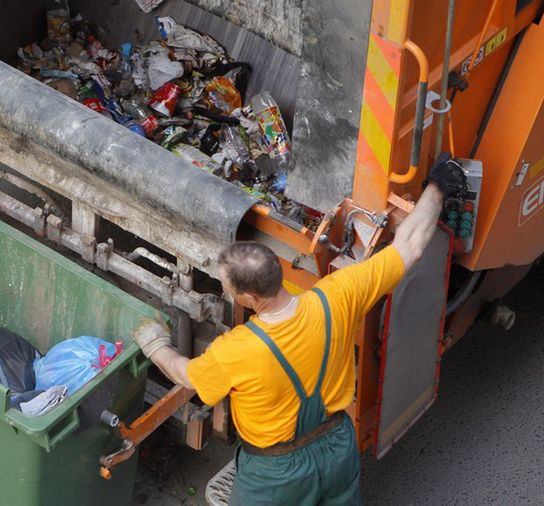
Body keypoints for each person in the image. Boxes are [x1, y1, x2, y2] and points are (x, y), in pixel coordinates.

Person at [132, 154, 467, 505]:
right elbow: (410, 246)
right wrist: (437, 187)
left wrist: (156, 345)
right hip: (337, 448)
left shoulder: (236, 351)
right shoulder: (338, 296)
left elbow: (187, 375)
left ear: (249, 297)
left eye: (228, 288)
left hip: (275, 475)